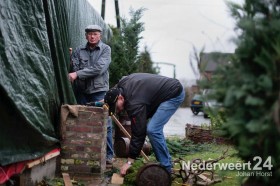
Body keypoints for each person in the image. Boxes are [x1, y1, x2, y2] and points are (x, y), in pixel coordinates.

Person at [104, 73, 185, 175]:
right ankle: (167, 161)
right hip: (166, 90)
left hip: (173, 93)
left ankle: (166, 169)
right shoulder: (122, 85)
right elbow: (113, 92)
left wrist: (129, 162)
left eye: (116, 107)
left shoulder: (135, 103)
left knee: (153, 130)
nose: (117, 110)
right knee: (154, 129)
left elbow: (139, 133)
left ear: (120, 98)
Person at [68, 24, 114, 164]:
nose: (92, 36)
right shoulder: (78, 50)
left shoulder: (105, 49)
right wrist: (72, 62)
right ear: (85, 36)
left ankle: (109, 155)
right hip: (81, 91)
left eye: (95, 34)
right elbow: (74, 67)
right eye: (89, 34)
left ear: (100, 35)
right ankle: (83, 153)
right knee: (81, 119)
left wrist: (78, 73)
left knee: (105, 121)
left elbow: (99, 69)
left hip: (99, 91)